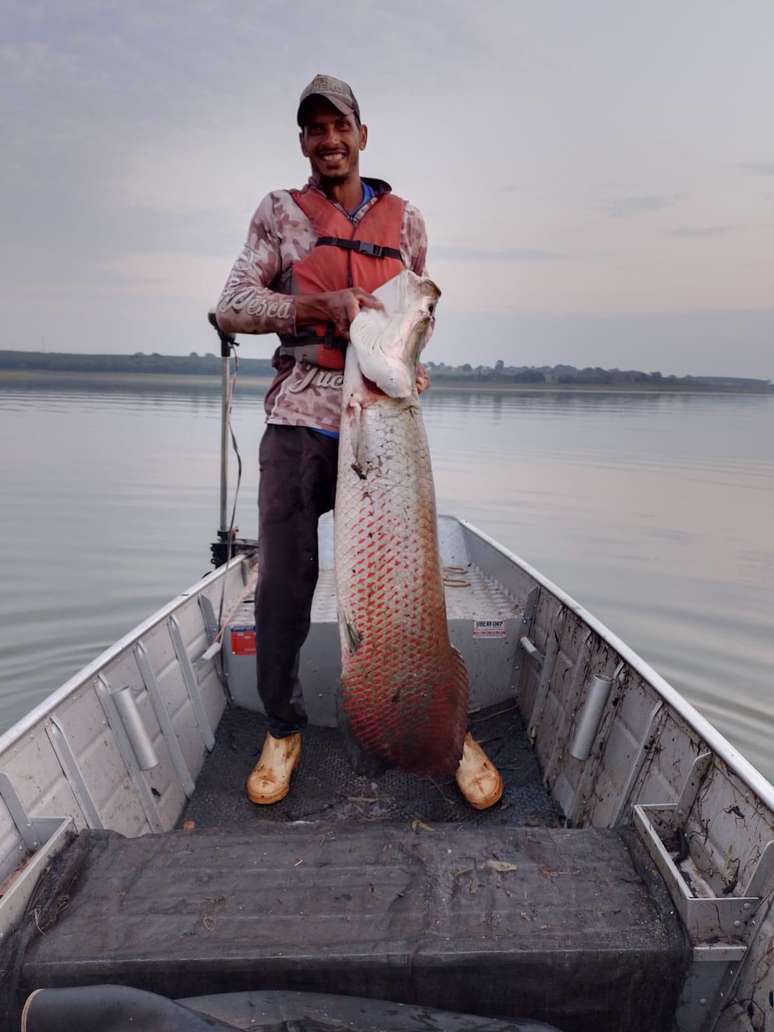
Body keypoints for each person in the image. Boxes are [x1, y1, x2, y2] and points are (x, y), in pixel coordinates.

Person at [215, 74, 503, 811]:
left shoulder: (405, 223)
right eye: (315, 130)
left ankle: (444, 725)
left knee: (412, 588)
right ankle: (283, 728)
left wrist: (411, 361)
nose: (330, 140)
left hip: (385, 426)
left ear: (362, 136)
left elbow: (415, 312)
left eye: (340, 127)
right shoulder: (278, 214)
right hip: (298, 419)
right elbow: (232, 305)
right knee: (283, 585)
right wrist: (320, 304)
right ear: (304, 143)